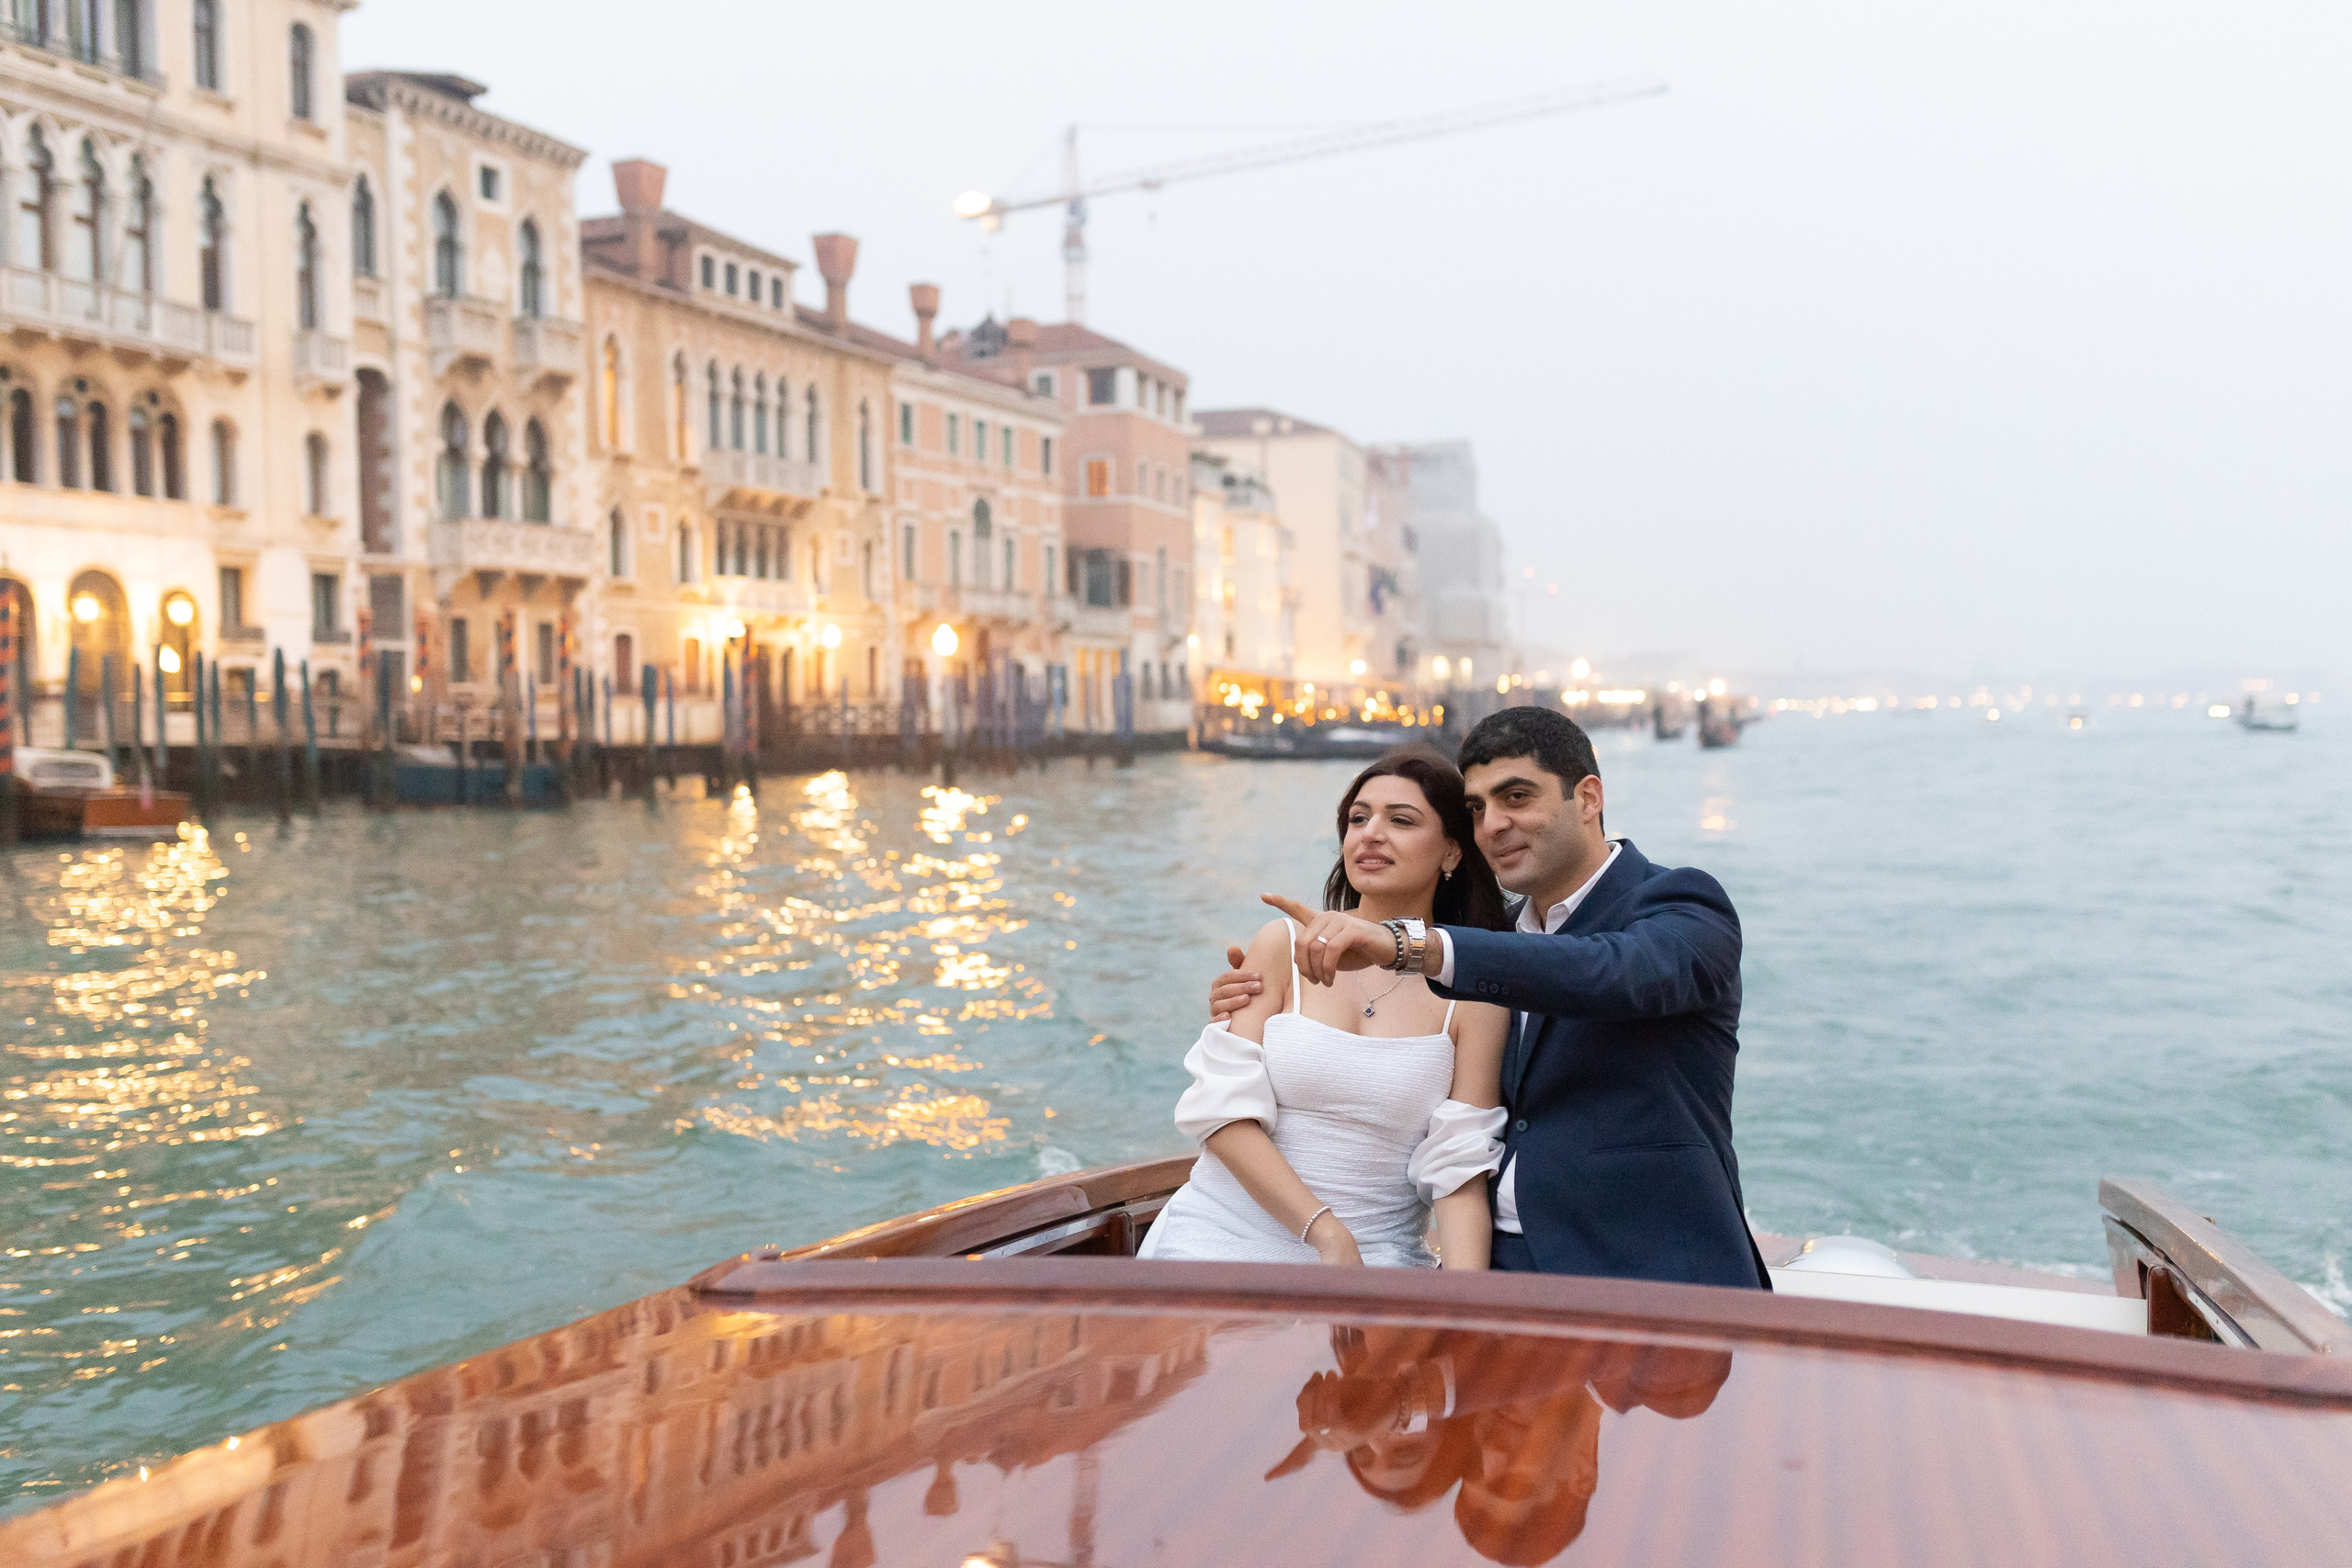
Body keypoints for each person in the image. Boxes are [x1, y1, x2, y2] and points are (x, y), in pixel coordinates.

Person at [1216, 707, 1770, 1290]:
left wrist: (1407, 944)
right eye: (1477, 808)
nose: (1493, 825)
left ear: (1587, 799)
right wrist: (1265, 997)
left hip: (1647, 1271)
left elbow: (1613, 972)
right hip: (1499, 1267)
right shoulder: (1493, 942)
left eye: (1517, 797)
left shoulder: (1681, 905)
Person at [1138, 747, 1515, 1269]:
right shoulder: (1281, 945)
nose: (1371, 833)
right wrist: (1327, 1234)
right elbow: (1222, 1114)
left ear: (1451, 853)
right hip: (1217, 1240)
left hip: (1378, 1261)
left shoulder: (1470, 994)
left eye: (1400, 820)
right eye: (1358, 818)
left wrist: (1464, 1314)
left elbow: (1460, 1177)